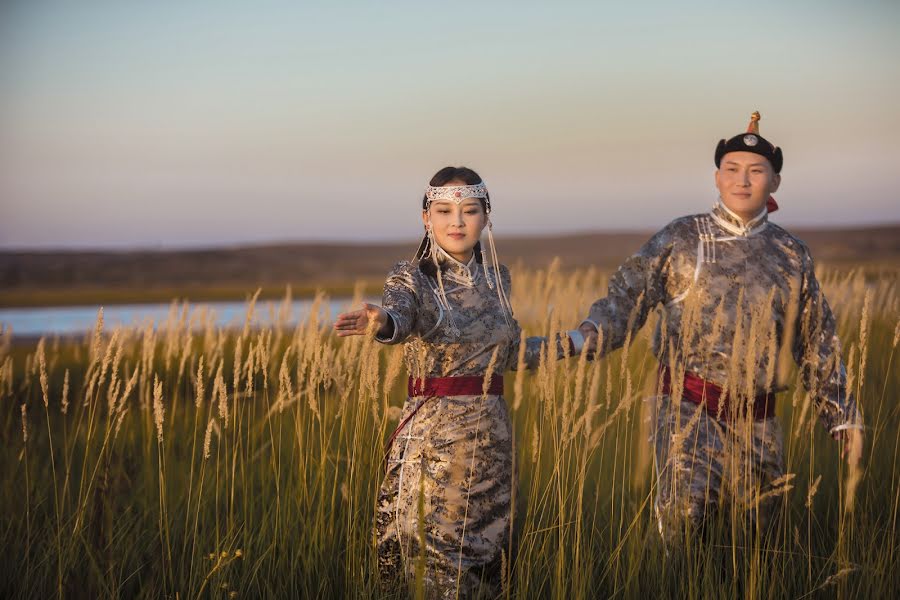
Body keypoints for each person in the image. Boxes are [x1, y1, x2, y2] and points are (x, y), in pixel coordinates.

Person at [577, 112, 864, 547]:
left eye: (755, 171)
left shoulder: (791, 254)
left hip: (759, 416)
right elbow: (626, 298)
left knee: (759, 538)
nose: (742, 180)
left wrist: (842, 418)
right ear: (716, 178)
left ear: (775, 182)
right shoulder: (683, 238)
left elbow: (816, 340)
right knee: (684, 523)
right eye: (731, 170)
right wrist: (588, 335)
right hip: (688, 406)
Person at [334, 166, 584, 597]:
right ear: (425, 218)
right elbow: (399, 317)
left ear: (486, 217)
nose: (457, 222)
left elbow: (509, 354)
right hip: (436, 442)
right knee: (437, 562)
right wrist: (381, 322)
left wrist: (578, 341)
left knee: (491, 561)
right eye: (444, 210)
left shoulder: (497, 280)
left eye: (469, 211)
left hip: (492, 440)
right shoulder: (410, 278)